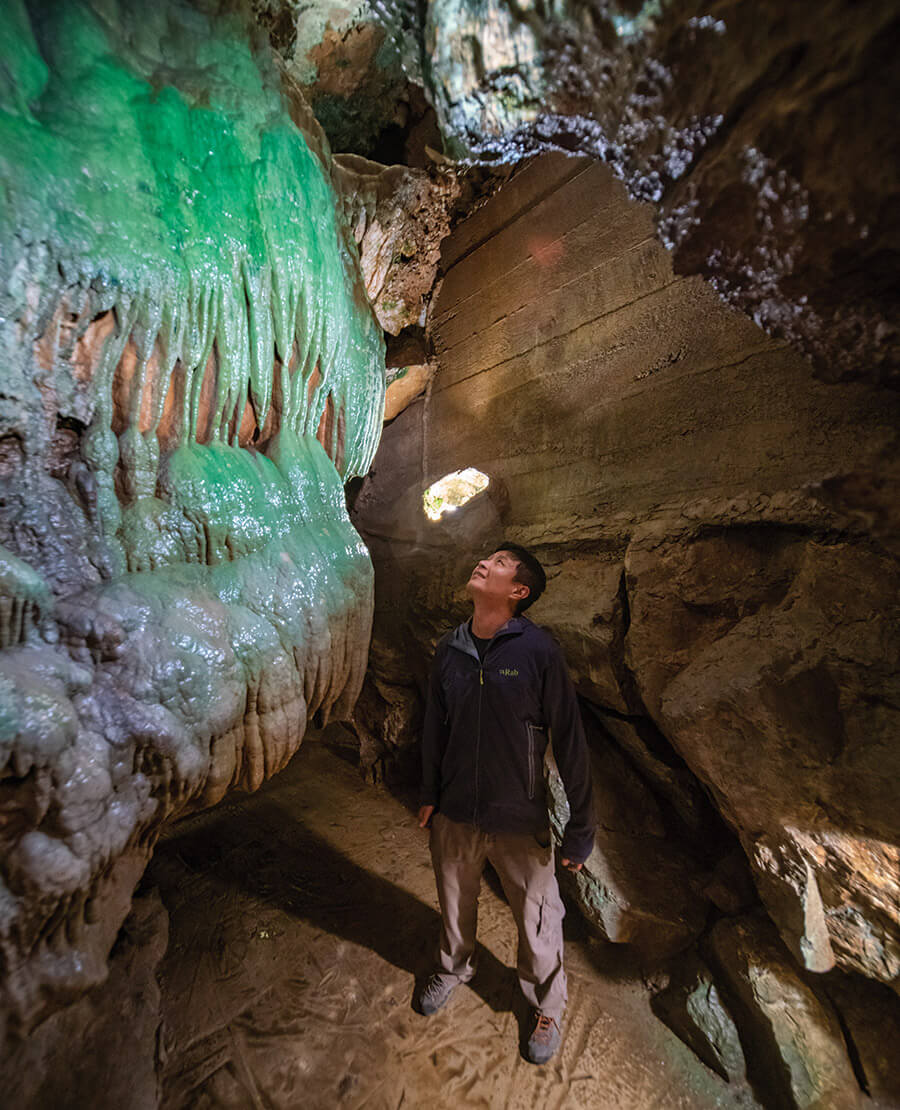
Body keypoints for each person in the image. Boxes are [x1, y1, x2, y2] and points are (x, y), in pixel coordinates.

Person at [416, 543, 595, 1065]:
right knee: (454, 903)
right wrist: (429, 793)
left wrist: (582, 827)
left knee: (539, 917)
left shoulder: (537, 651)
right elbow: (434, 728)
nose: (483, 562)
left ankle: (545, 1004)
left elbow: (571, 739)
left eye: (498, 562)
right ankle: (453, 968)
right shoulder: (449, 650)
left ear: (519, 591)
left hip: (518, 815)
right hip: (455, 811)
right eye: (486, 558)